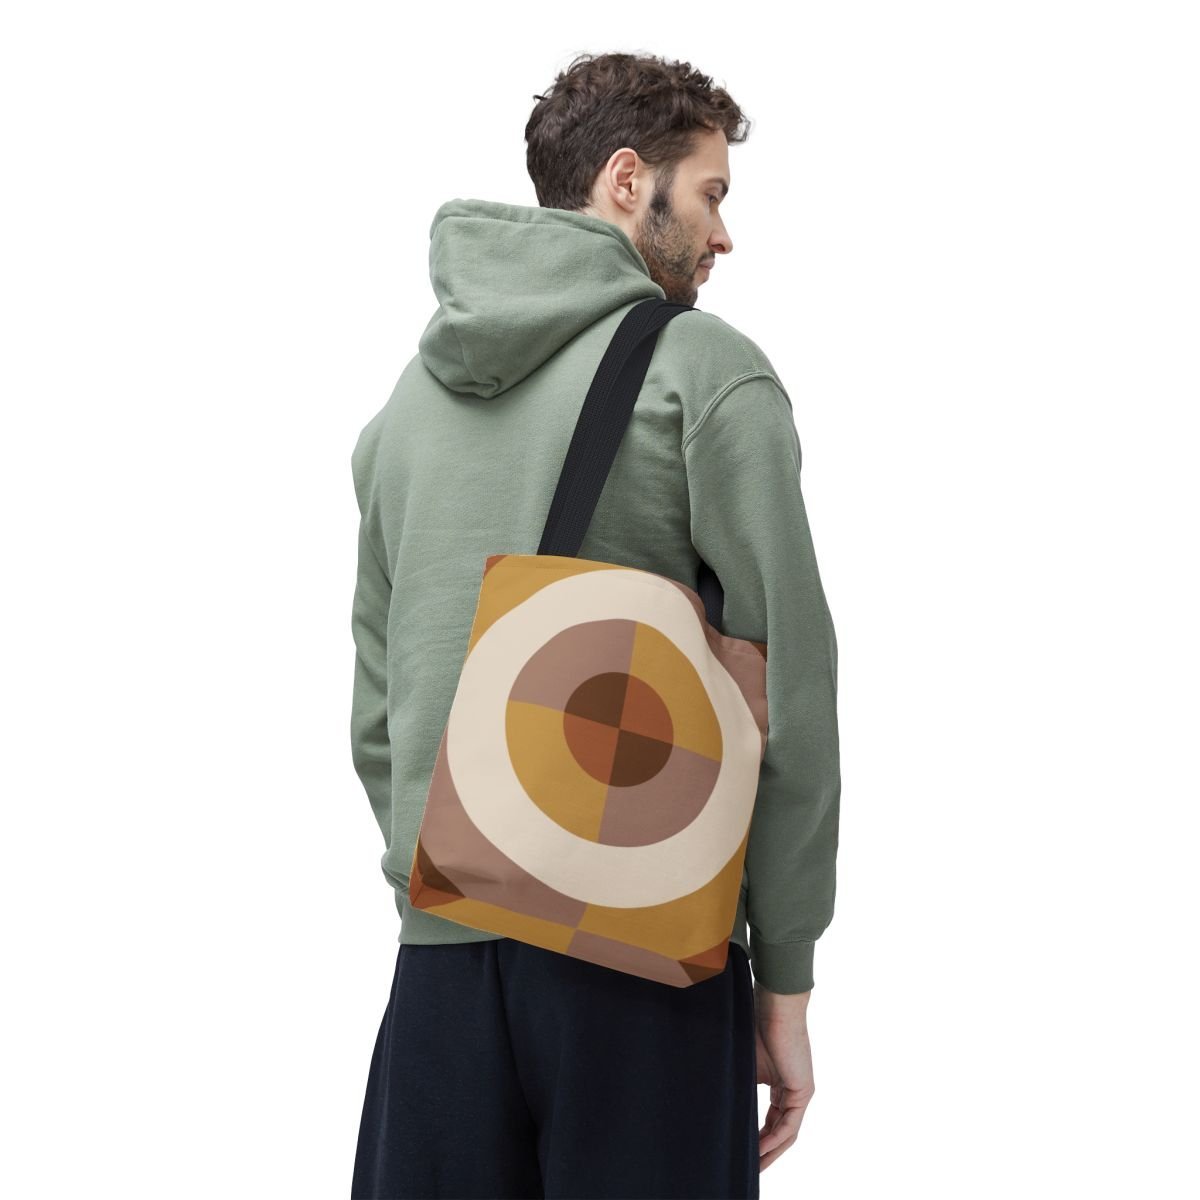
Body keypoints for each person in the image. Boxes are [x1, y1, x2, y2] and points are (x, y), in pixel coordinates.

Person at [348, 51, 841, 1200]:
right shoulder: (704, 374)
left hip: (438, 975)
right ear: (628, 180)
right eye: (710, 194)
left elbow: (378, 711)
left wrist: (451, 891)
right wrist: (786, 979)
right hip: (642, 962)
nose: (723, 237)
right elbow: (792, 697)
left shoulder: (403, 411)